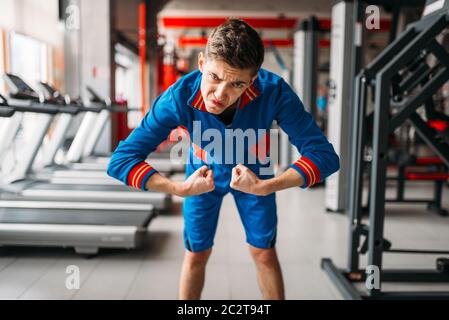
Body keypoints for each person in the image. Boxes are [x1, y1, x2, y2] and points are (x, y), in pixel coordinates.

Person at [107, 18, 340, 300]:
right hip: (201, 177)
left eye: (236, 84)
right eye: (214, 77)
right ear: (202, 63)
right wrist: (179, 189)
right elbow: (121, 160)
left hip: (256, 173)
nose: (219, 94)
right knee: (196, 255)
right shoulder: (178, 98)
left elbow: (325, 156)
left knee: (264, 253)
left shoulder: (274, 91)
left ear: (252, 80)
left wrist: (267, 186)